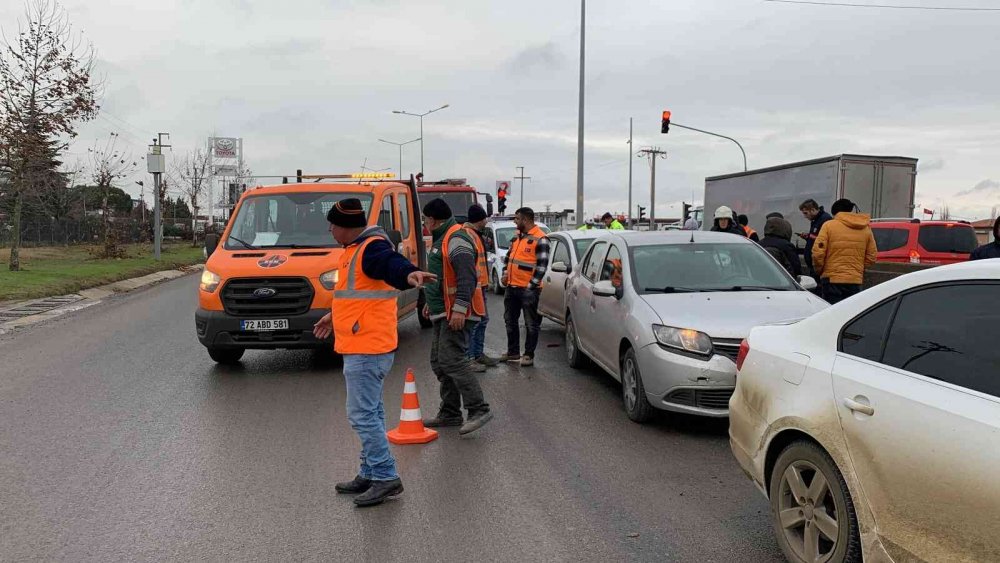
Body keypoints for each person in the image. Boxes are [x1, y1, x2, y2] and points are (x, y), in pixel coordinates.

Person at [312, 198, 436, 507]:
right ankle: (369, 472)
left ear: (346, 227)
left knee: (361, 415)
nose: (330, 229)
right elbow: (357, 295)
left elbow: (392, 266)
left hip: (367, 347)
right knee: (373, 412)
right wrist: (333, 316)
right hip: (366, 343)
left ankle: (385, 477)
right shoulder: (354, 250)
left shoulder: (372, 248)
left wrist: (410, 274)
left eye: (333, 225)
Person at [420, 198, 494, 435]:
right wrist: (431, 304)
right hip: (445, 311)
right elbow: (441, 276)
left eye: (424, 219)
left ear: (432, 220)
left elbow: (467, 276)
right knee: (440, 362)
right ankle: (450, 413)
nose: (424, 223)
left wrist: (460, 308)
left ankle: (478, 409)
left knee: (452, 360)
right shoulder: (443, 238)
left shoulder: (455, 238)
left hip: (458, 312)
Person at [501, 207, 548, 366]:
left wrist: (530, 287)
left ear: (526, 220)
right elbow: (508, 259)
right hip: (511, 287)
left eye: (517, 218)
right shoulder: (517, 237)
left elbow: (542, 267)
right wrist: (504, 274)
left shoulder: (541, 238)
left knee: (530, 324)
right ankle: (513, 352)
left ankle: (528, 354)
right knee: (510, 320)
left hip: (528, 290)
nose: (515, 221)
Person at [812, 198, 877, 305]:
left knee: (832, 312)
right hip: (855, 280)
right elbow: (872, 256)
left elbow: (818, 252)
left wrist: (820, 270)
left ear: (835, 213)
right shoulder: (865, 228)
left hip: (831, 279)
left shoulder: (829, 226)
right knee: (851, 314)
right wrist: (857, 268)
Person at [463, 204, 500, 372]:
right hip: (475, 287)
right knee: (475, 322)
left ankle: (477, 354)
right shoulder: (469, 235)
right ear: (480, 219)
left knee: (482, 320)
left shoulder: (475, 234)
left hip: (481, 285)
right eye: (485, 218)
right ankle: (470, 358)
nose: (486, 221)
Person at [798, 199, 833, 277]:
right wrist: (808, 237)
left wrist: (810, 236)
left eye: (805, 213)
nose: (805, 216)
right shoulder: (816, 220)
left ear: (813, 210)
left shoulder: (825, 219)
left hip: (819, 265)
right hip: (814, 264)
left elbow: (824, 240)